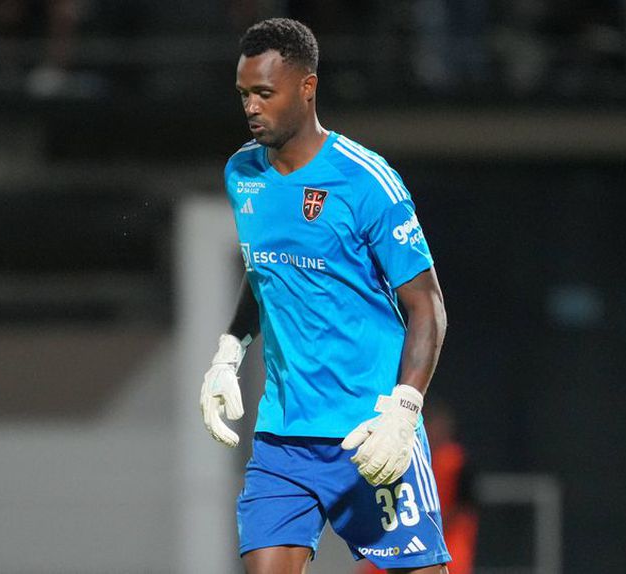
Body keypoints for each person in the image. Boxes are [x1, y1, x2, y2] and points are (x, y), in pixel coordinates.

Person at [200, 18, 449, 574]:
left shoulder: (367, 181)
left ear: (307, 88)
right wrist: (228, 351)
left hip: (368, 433)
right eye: (244, 94)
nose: (251, 107)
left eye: (265, 93)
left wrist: (404, 413)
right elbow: (265, 269)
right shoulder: (242, 173)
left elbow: (427, 307)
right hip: (283, 440)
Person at [358, 399, 480, 574]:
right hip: (401, 537)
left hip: (448, 542)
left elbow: (465, 507)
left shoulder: (456, 460)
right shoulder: (401, 456)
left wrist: (428, 527)